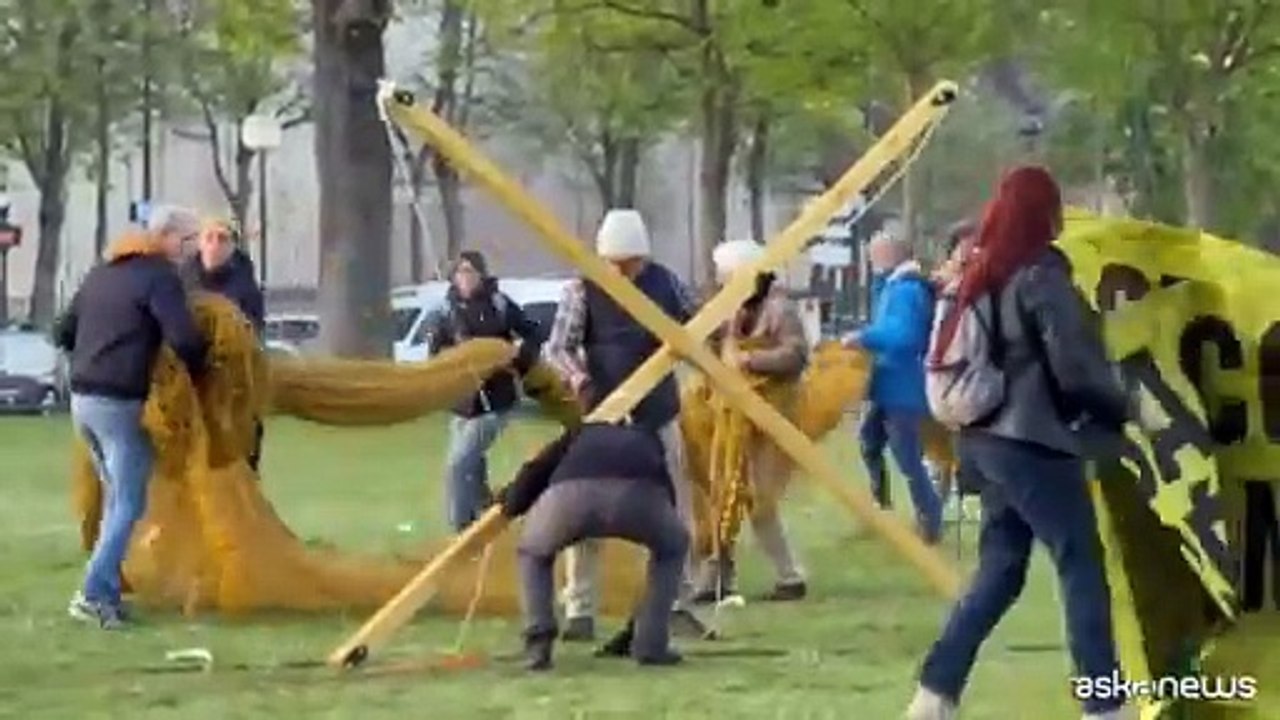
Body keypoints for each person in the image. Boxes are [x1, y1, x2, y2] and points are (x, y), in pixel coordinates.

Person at [906, 166, 1130, 720]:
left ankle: (934, 694)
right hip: (1035, 442)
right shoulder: (1041, 273)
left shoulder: (981, 270)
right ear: (1045, 213)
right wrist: (1120, 409)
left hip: (983, 440)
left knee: (1002, 570)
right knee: (1081, 565)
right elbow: (1074, 367)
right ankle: (1104, 705)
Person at [543, 208, 705, 642]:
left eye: (628, 262)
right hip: (601, 415)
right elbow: (559, 347)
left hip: (658, 414)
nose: (620, 270)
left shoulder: (667, 284)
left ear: (642, 257)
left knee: (675, 509)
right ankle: (579, 607)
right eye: (614, 262)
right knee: (582, 508)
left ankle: (678, 601)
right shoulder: (582, 288)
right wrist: (577, 376)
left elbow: (702, 324)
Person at [53, 206, 208, 630]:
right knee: (129, 502)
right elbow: (184, 337)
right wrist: (202, 374)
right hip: (118, 403)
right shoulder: (159, 276)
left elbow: (62, 332)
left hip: (83, 399)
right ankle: (92, 594)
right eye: (189, 240)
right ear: (169, 237)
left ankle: (104, 592)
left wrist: (95, 353)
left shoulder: (103, 272)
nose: (192, 251)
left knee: (117, 497)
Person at [497, 422, 689, 670]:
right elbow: (665, 487)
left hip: (570, 500)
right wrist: (664, 523)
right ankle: (651, 643)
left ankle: (538, 644)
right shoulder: (647, 436)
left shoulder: (578, 433)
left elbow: (535, 471)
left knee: (533, 553)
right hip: (639, 497)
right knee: (672, 547)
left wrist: (510, 502)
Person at [691, 239, 809, 603]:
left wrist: (750, 362)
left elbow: (796, 353)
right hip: (728, 416)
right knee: (722, 491)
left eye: (726, 275)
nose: (720, 281)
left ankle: (790, 576)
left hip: (769, 416)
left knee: (760, 499)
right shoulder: (726, 310)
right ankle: (717, 577)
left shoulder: (779, 308)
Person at [429, 250, 543, 532]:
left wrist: (518, 360)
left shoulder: (499, 304)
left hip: (495, 402)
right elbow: (435, 355)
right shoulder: (447, 311)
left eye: (470, 271)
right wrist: (454, 360)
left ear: (481, 274)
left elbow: (533, 333)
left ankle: (461, 531)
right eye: (460, 272)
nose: (465, 277)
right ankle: (486, 513)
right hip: (462, 404)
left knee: (458, 465)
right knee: (471, 464)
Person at [846, 233, 944, 543]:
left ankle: (930, 520)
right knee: (870, 443)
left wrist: (866, 337)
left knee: (907, 455)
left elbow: (904, 335)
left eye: (876, 254)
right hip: (887, 382)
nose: (872, 260)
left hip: (903, 384)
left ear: (892, 254)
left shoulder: (907, 291)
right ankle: (881, 509)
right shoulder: (893, 287)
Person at [184, 219, 267, 470]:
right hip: (194, 377)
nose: (215, 245)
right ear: (199, 243)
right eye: (209, 238)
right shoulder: (182, 280)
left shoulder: (245, 284)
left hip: (236, 378)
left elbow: (254, 327)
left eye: (222, 239)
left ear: (233, 246)